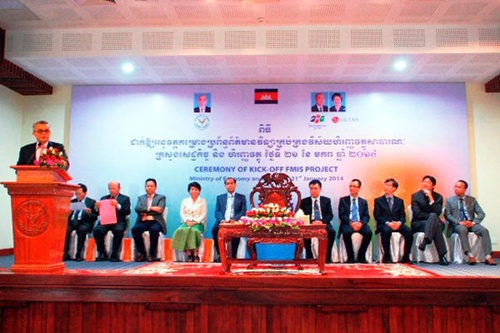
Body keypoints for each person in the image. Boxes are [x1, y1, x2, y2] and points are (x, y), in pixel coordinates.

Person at [444, 180, 496, 265]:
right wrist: (459, 222)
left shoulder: (472, 200)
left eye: (459, 187)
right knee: (462, 229)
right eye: (455, 186)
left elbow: (481, 213)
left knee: (484, 230)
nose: (456, 188)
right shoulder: (449, 200)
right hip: (458, 224)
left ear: (465, 189)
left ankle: (488, 256)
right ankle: (469, 254)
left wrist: (474, 222)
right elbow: (448, 215)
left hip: (471, 223)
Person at [411, 175, 448, 265]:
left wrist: (431, 198)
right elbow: (417, 214)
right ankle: (442, 256)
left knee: (434, 217)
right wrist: (431, 218)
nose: (425, 184)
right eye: (424, 182)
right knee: (434, 219)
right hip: (419, 223)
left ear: (433, 186)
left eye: (428, 182)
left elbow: (438, 212)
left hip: (432, 224)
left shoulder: (438, 197)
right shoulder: (415, 196)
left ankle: (426, 240)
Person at [373, 178, 412, 263]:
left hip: (397, 224)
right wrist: (388, 223)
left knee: (408, 231)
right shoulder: (378, 200)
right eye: (385, 185)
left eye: (388, 185)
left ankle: (406, 256)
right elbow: (377, 216)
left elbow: (402, 216)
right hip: (384, 224)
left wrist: (399, 223)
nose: (385, 187)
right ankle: (387, 256)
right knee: (386, 231)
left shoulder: (399, 201)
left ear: (394, 188)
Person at [299, 179, 336, 263]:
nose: (313, 191)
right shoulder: (304, 201)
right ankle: (309, 255)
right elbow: (302, 216)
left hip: (323, 223)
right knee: (305, 233)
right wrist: (312, 221)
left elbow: (330, 215)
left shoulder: (326, 200)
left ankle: (327, 256)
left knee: (331, 232)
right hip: (310, 224)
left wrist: (321, 221)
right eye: (311, 188)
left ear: (320, 189)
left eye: (315, 188)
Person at [93, 181, 131, 262]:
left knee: (118, 230)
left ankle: (114, 254)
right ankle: (102, 252)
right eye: (110, 189)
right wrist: (96, 208)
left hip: (119, 221)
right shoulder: (104, 198)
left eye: (114, 188)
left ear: (119, 189)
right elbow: (98, 213)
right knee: (97, 230)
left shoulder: (125, 198)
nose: (111, 190)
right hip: (106, 220)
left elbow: (127, 211)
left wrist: (117, 206)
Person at [212, 177, 247, 262]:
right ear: (225, 186)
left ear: (235, 185)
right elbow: (217, 212)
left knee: (236, 232)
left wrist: (234, 219)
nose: (230, 185)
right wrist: (222, 220)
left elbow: (243, 211)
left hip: (234, 221)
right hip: (223, 221)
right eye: (227, 184)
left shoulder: (241, 197)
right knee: (215, 230)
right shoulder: (220, 197)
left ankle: (233, 255)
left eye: (231, 183)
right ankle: (221, 254)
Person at [132, 178, 166, 262]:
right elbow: (137, 208)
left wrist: (145, 211)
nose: (149, 188)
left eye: (151, 186)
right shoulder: (141, 198)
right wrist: (151, 208)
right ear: (145, 187)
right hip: (143, 220)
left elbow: (160, 209)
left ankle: (152, 254)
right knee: (135, 230)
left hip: (155, 221)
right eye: (148, 186)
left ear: (155, 187)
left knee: (154, 230)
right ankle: (142, 253)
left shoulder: (161, 197)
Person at [171, 182, 207, 262]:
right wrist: (186, 221)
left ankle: (195, 254)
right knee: (181, 231)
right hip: (186, 222)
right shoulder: (185, 201)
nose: (194, 191)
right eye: (192, 189)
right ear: (189, 191)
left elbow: (203, 214)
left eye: (196, 189)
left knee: (193, 231)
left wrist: (195, 222)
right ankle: (189, 255)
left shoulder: (202, 201)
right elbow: (182, 212)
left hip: (198, 223)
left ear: (199, 191)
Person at [338, 179, 372, 263]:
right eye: (350, 186)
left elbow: (366, 216)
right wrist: (351, 223)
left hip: (360, 223)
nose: (351, 188)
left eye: (354, 186)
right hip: (348, 223)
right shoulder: (343, 200)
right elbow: (341, 215)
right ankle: (350, 257)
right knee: (346, 232)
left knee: (368, 232)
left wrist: (361, 223)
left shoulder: (363, 201)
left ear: (359, 188)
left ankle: (361, 255)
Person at [63, 183, 97, 262]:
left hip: (84, 222)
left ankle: (79, 253)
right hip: (72, 222)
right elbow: (64, 216)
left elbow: (95, 217)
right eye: (76, 194)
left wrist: (89, 213)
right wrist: (68, 213)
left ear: (85, 193)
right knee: (65, 230)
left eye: (79, 194)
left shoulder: (91, 202)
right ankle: (65, 252)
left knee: (82, 230)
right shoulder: (72, 201)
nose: (77, 195)